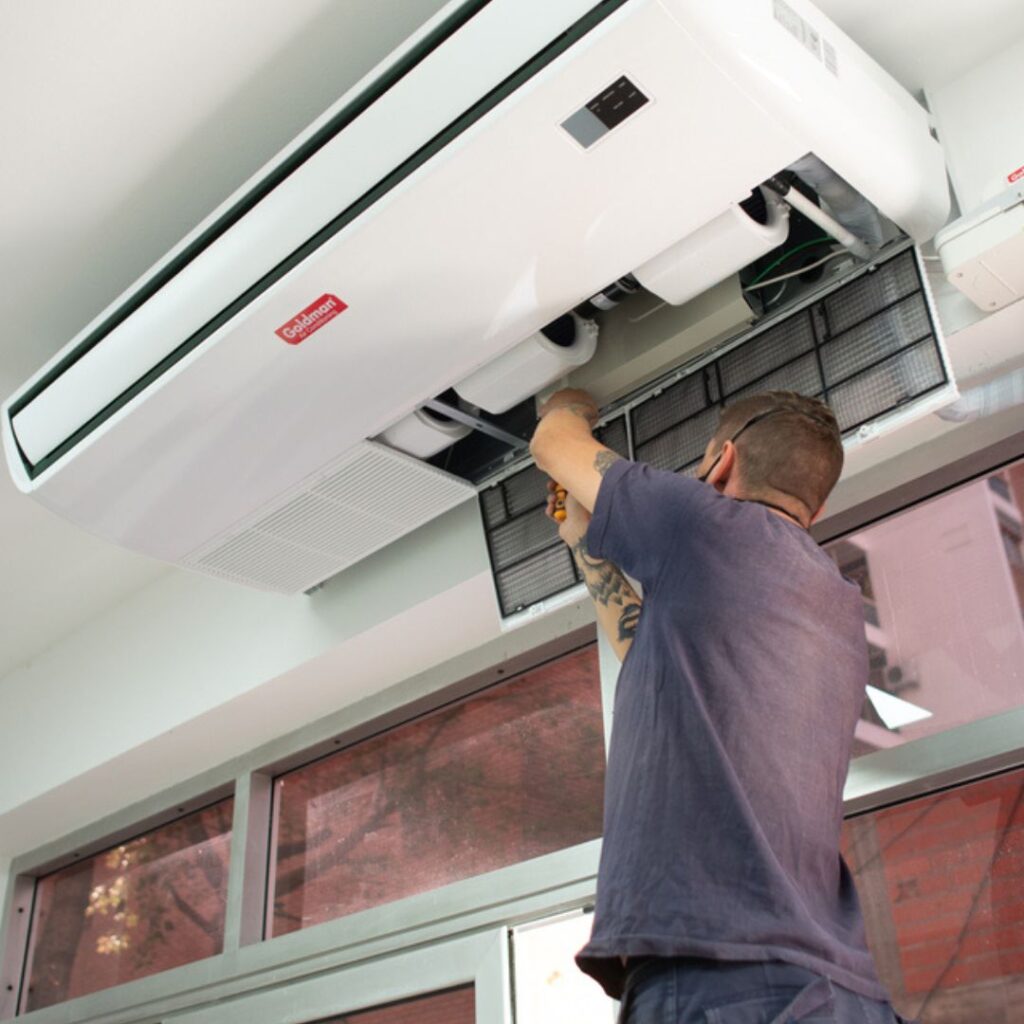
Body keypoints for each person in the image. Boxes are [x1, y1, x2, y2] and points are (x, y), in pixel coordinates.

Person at [529, 388, 908, 1024]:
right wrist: (584, 541)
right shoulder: (838, 607)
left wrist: (568, 400)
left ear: (722, 462)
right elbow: (653, 654)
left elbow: (552, 442)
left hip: (727, 977)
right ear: (815, 506)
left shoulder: (704, 521)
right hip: (838, 993)